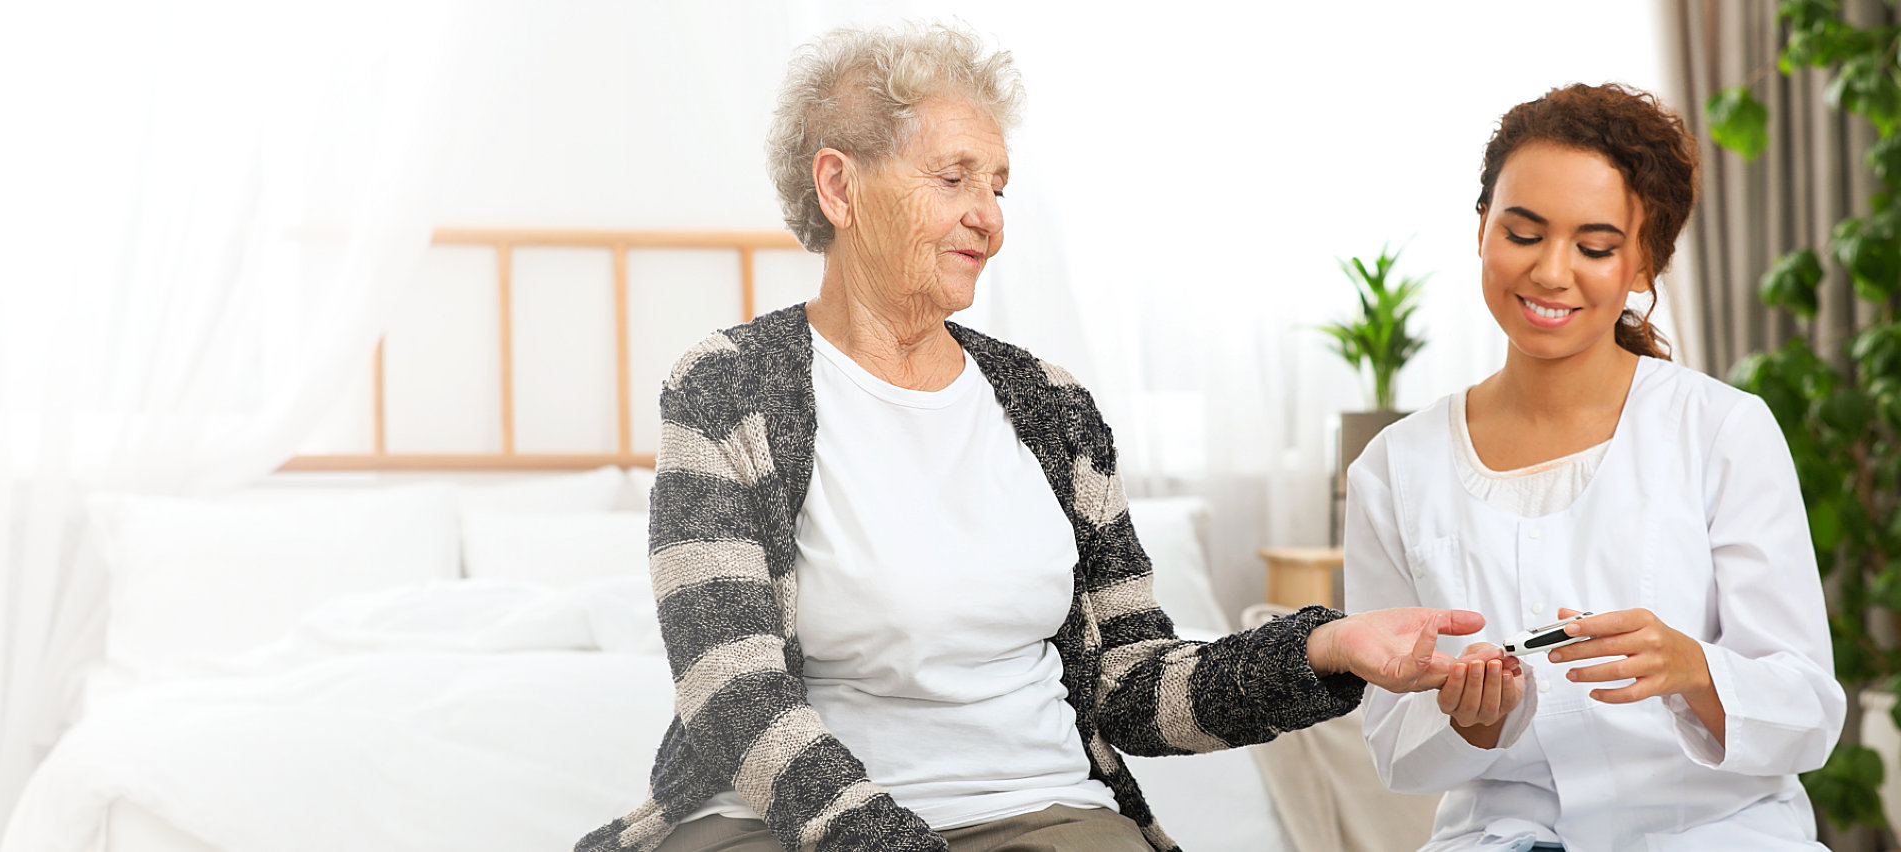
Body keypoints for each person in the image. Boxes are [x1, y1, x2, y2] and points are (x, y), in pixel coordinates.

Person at [576, 22, 1486, 852]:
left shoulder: (1052, 407)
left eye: (999, 186)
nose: (990, 217)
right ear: (839, 186)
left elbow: (1133, 684)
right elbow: (731, 693)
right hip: (790, 826)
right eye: (955, 177)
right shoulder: (731, 388)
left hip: (1036, 811)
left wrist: (1327, 648)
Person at [1343, 82, 1846, 851]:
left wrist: (1692, 669)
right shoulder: (1394, 468)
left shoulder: (1722, 431)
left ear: (1645, 263)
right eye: (1523, 232)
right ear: (1482, 229)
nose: (1551, 271)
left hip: (1718, 833)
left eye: (1595, 246)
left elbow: (1808, 710)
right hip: (1500, 837)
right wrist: (1477, 724)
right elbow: (1393, 745)